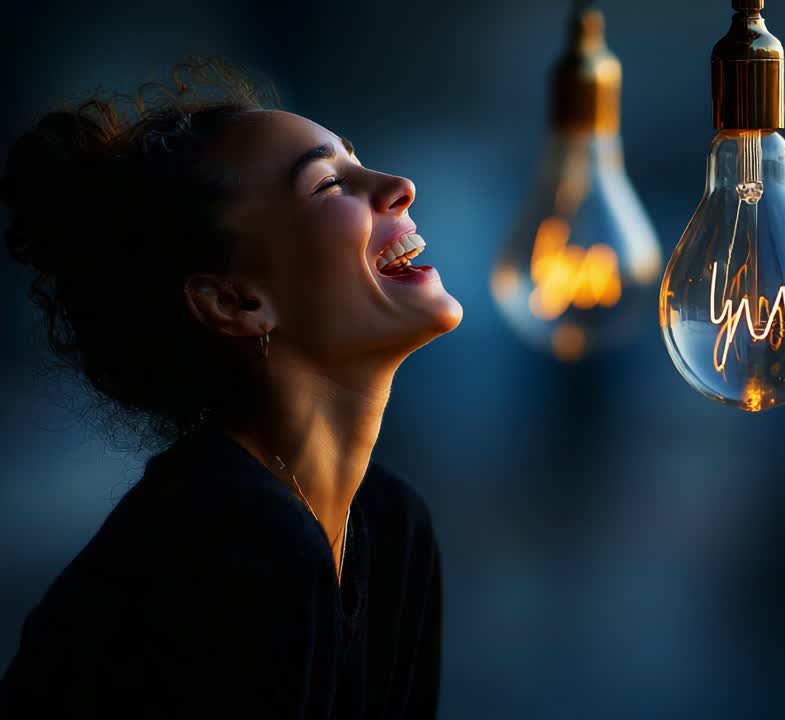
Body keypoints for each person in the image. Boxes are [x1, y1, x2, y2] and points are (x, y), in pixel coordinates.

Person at [0, 59, 462, 717]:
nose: (399, 185)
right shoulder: (228, 542)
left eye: (358, 162)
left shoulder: (393, 530)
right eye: (330, 184)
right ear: (236, 301)